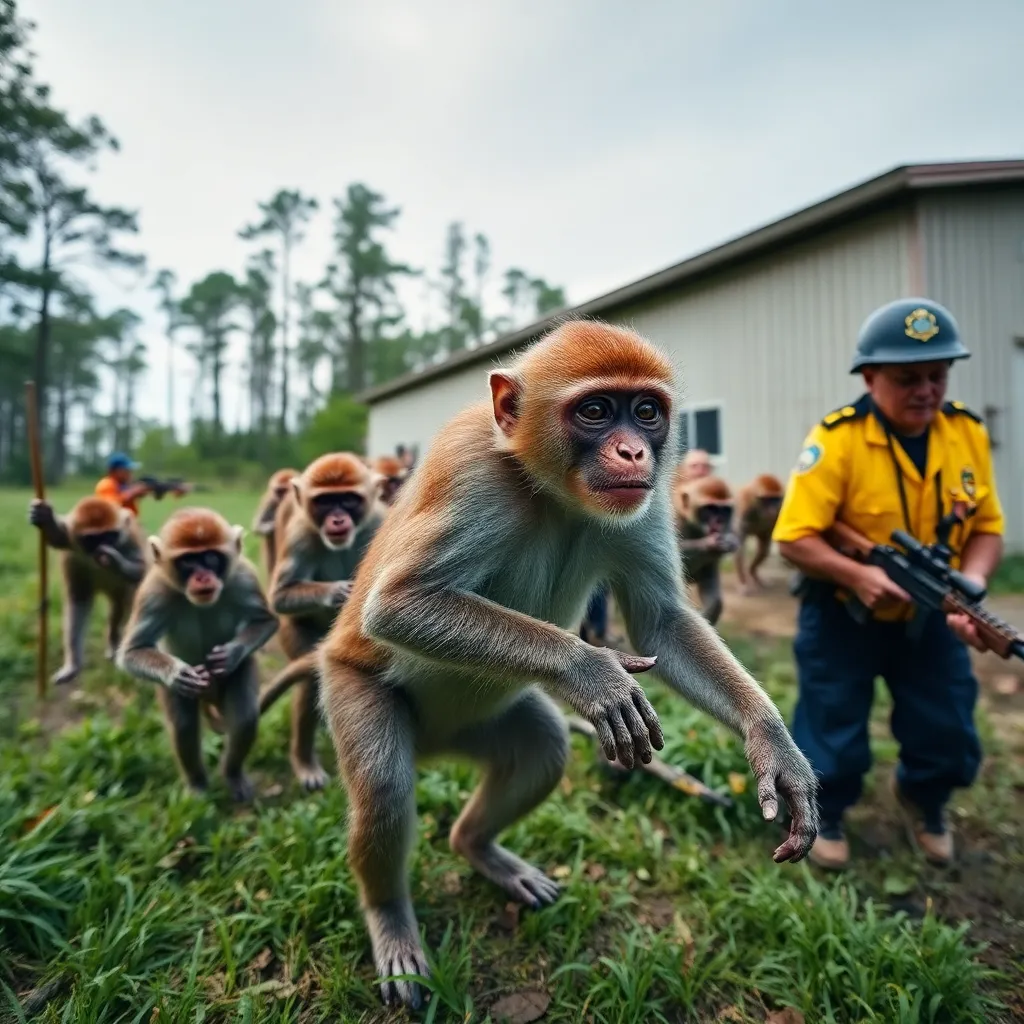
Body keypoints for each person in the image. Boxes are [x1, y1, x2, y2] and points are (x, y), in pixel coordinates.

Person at [772, 297, 1005, 870]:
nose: (926, 390)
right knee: (831, 720)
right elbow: (793, 537)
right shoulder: (838, 439)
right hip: (842, 611)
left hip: (929, 613)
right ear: (870, 377)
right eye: (908, 379)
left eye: (937, 376)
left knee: (947, 722)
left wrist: (971, 585)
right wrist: (858, 574)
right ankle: (821, 811)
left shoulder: (965, 432)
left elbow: (987, 528)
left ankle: (924, 799)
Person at [95, 452, 187, 516]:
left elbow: (154, 492)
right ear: (115, 471)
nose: (130, 473)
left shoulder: (125, 485)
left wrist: (173, 488)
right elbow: (111, 506)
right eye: (126, 470)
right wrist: (135, 492)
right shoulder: (106, 484)